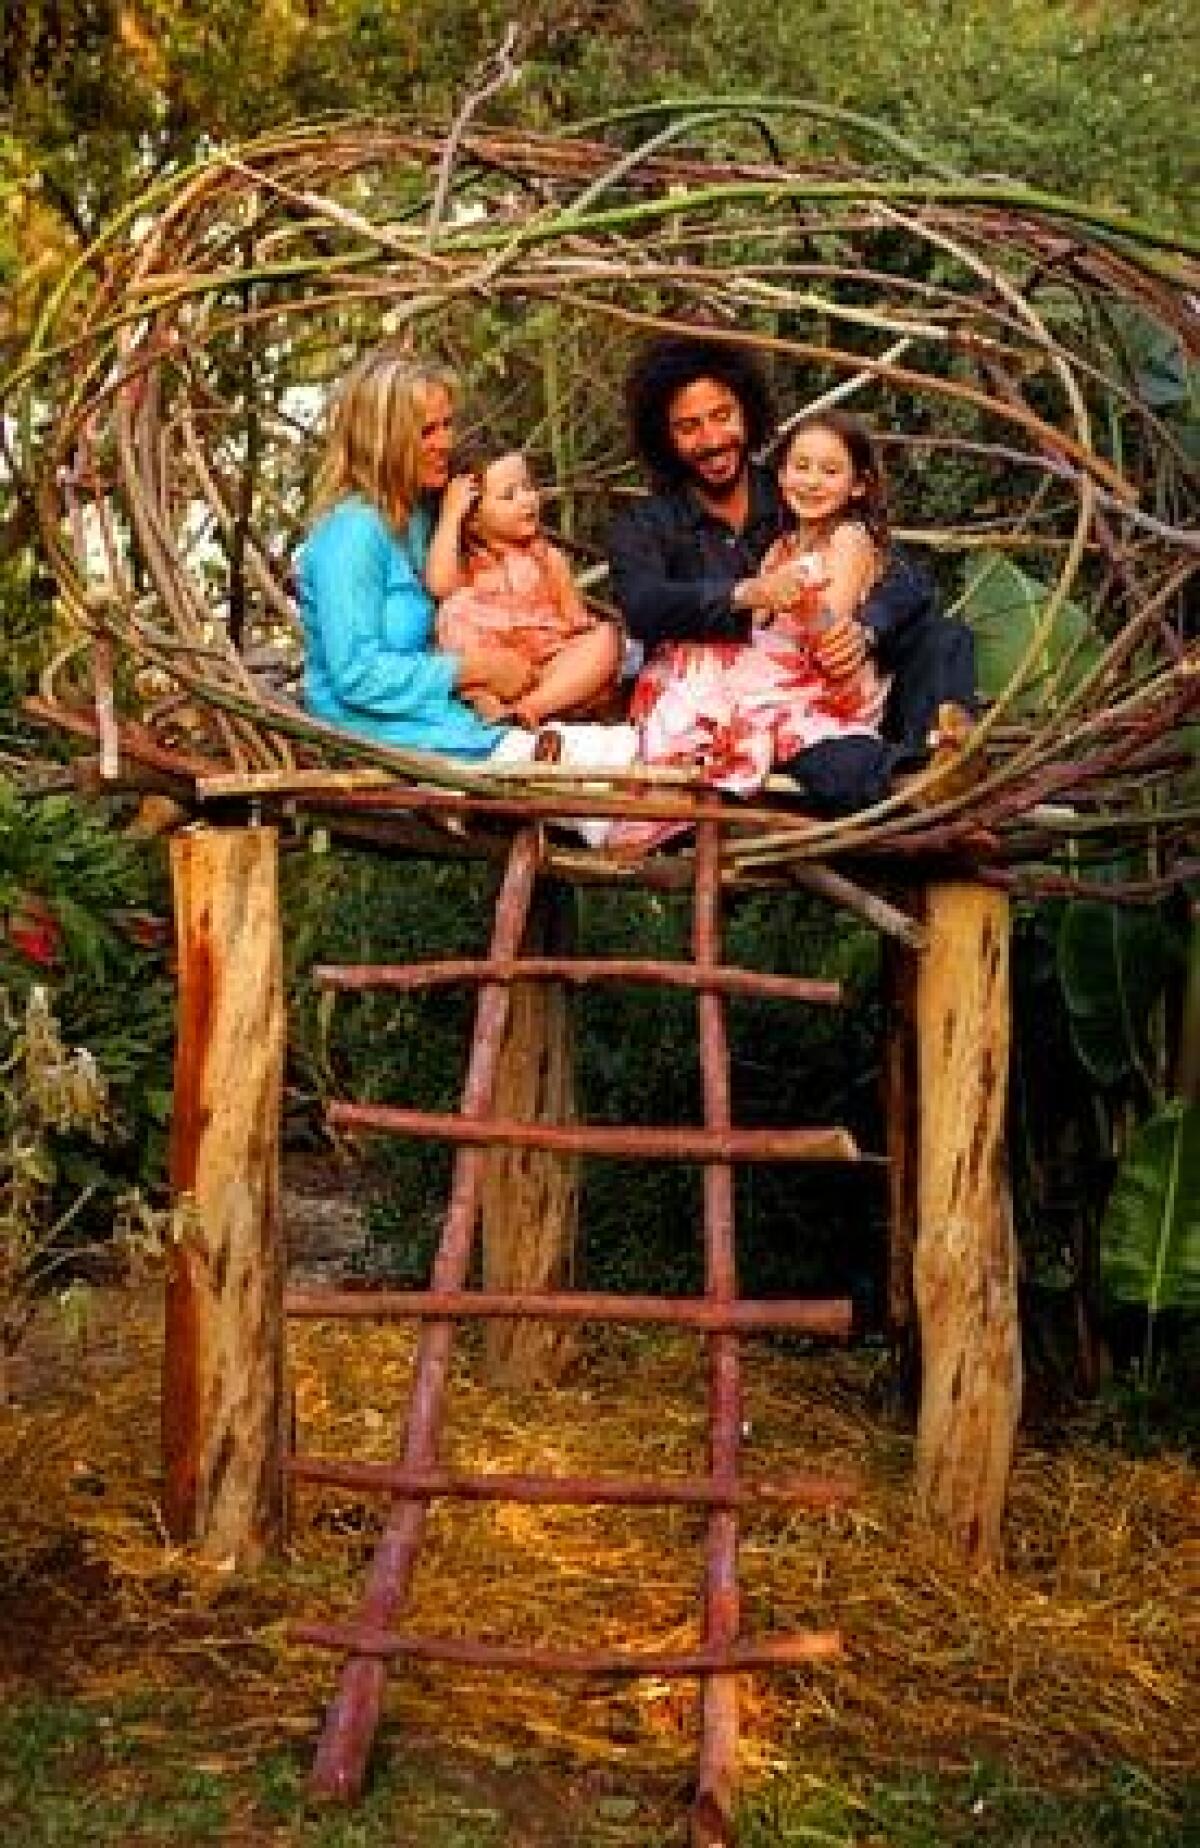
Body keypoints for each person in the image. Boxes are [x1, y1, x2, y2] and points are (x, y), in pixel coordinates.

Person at [607, 336, 975, 814]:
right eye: (689, 427)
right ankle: (909, 782)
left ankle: (940, 763)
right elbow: (643, 605)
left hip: (843, 685)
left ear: (748, 412)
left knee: (943, 636)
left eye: (723, 416)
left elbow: (908, 580)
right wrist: (742, 594)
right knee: (818, 749)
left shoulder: (796, 488)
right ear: (664, 438)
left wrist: (866, 629)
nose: (713, 438)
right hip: (751, 714)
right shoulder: (643, 525)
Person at [297, 347, 636, 830]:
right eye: (426, 432)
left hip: (443, 719)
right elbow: (355, 674)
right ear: (383, 441)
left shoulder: (415, 521)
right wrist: (477, 668)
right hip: (382, 734)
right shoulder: (353, 532)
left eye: (446, 425)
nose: (444, 442)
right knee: (619, 770)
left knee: (631, 748)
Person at [627, 411, 894, 797]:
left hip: (820, 678)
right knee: (685, 662)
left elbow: (830, 627)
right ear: (782, 476)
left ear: (857, 486)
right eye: (801, 467)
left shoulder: (848, 539)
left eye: (830, 471)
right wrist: (762, 595)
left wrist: (799, 599)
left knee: (706, 683)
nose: (812, 482)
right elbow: (760, 621)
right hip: (779, 662)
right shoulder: (781, 545)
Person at [427, 447, 620, 727]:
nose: (527, 500)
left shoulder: (548, 559)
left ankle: (529, 711)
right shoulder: (468, 566)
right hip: (498, 679)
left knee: (606, 636)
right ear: (474, 521)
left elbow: (575, 623)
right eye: (509, 495)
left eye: (528, 487)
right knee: (453, 612)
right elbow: (439, 586)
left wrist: (585, 654)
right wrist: (450, 516)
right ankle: (494, 712)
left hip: (551, 674)